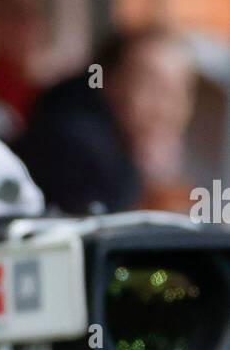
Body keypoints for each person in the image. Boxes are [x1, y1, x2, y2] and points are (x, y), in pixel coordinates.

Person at [16, 26, 196, 217]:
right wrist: (141, 176)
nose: (167, 105)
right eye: (152, 85)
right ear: (110, 81)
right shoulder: (74, 143)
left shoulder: (136, 149)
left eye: (181, 89)